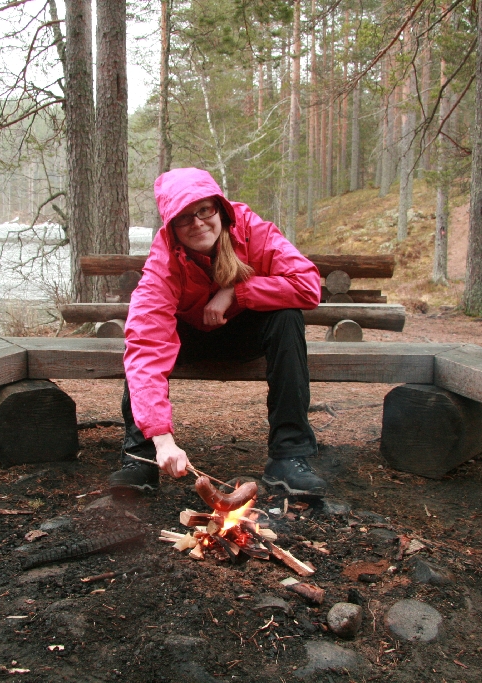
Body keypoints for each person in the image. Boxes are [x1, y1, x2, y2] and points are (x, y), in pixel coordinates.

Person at [108, 167, 327, 497]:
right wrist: (163, 439)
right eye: (184, 218)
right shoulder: (163, 261)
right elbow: (147, 345)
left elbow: (307, 286)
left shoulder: (253, 230)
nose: (197, 223)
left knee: (287, 315)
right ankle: (142, 459)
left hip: (242, 335)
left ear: (220, 209)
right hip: (187, 341)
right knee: (140, 348)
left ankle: (289, 456)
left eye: (204, 210)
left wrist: (236, 293)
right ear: (172, 227)